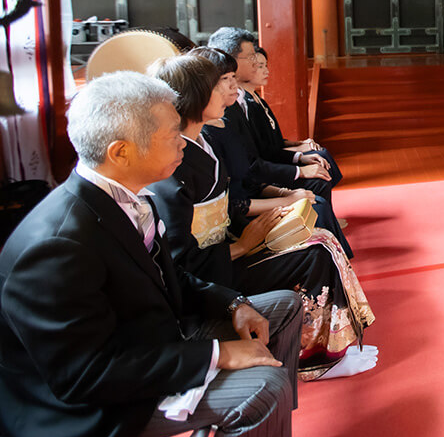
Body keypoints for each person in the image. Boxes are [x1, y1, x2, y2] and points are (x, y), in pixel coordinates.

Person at [0, 72, 305, 437]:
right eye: (172, 136)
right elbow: (84, 376)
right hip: (98, 400)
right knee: (264, 388)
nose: (184, 144)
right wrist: (219, 353)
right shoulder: (58, 245)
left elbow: (170, 277)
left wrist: (233, 303)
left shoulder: (124, 196)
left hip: (153, 335)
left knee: (284, 306)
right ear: (121, 152)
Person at [147, 54, 377, 381]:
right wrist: (243, 245)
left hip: (229, 242)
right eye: (222, 83)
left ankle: (338, 342)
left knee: (321, 240)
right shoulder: (176, 163)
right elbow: (180, 261)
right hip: (213, 267)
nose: (231, 88)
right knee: (314, 256)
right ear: (198, 96)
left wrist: (275, 214)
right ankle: (313, 358)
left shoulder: (203, 141)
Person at [197, 37, 354, 258]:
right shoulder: (212, 129)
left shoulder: (229, 118)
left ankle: (339, 254)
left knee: (318, 180)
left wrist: (291, 175)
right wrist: (289, 191)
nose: (233, 85)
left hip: (255, 193)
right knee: (316, 204)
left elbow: (258, 160)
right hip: (240, 219)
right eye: (225, 79)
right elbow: (241, 188)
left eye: (233, 78)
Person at [245, 46, 343, 191]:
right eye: (259, 66)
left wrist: (299, 143)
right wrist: (299, 153)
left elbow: (275, 140)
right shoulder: (247, 105)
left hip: (275, 155)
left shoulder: (258, 99)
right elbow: (267, 151)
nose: (266, 70)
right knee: (319, 171)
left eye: (265, 65)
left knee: (321, 154)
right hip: (269, 165)